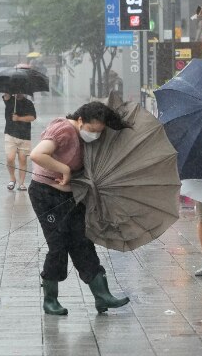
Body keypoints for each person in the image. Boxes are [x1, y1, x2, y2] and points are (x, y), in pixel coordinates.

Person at [28, 101, 130, 316]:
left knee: (83, 242)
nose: (95, 135)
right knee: (58, 245)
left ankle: (102, 296)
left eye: (99, 132)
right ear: (81, 120)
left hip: (70, 195)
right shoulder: (64, 129)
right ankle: (50, 300)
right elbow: (37, 155)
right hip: (45, 194)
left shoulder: (86, 134)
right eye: (92, 130)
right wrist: (63, 168)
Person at [2, 93, 36, 191]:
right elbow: (6, 95)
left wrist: (19, 118)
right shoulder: (9, 100)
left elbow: (33, 117)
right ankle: (12, 178)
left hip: (24, 135)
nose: (18, 92)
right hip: (10, 134)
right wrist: (9, 90)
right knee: (10, 158)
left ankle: (21, 183)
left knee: (22, 159)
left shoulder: (28, 103)